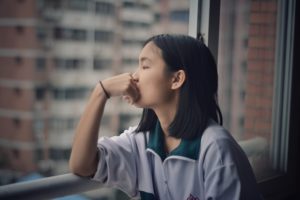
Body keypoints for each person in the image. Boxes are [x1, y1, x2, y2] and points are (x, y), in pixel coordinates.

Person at [69, 34, 262, 200]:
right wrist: (100, 92)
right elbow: (82, 165)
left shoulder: (216, 149)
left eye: (145, 67)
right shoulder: (140, 142)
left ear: (176, 79)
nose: (134, 76)